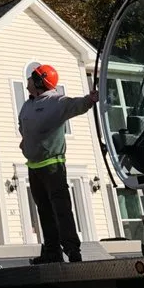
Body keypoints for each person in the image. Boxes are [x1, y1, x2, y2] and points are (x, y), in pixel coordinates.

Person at [18, 63, 98, 264]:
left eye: (32, 77)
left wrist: (91, 99)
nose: (28, 80)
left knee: (61, 209)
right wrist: (26, 142)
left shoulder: (57, 102)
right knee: (44, 211)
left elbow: (77, 105)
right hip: (33, 167)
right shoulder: (27, 105)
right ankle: (52, 252)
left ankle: (72, 250)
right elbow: (23, 127)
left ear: (39, 82)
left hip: (53, 166)